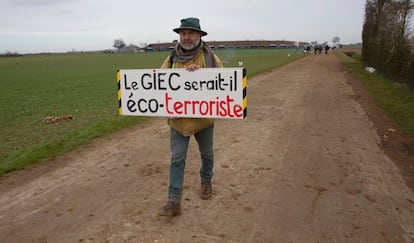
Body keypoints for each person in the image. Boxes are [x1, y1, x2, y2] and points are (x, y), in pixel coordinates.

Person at [159, 17, 223, 217]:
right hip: (178, 121)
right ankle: (173, 201)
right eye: (183, 33)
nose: (186, 37)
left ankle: (206, 181)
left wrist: (201, 75)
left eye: (191, 33)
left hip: (202, 120)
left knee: (207, 154)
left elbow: (223, 84)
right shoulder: (171, 59)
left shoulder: (210, 58)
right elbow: (158, 85)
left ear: (199, 35)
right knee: (177, 159)